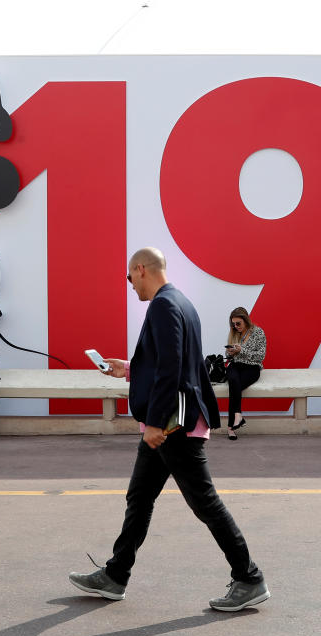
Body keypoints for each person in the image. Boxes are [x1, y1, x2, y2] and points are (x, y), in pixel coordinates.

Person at [69, 247, 269, 612]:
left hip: (173, 426)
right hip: (168, 423)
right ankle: (115, 575)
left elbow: (172, 368)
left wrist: (157, 424)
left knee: (205, 503)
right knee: (140, 497)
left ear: (141, 269)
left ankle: (249, 578)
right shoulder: (181, 302)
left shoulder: (163, 304)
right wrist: (127, 369)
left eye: (129, 278)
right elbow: (167, 361)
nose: (130, 286)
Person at [222, 306, 266, 440]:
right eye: (233, 324)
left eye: (238, 323)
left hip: (252, 368)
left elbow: (261, 356)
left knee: (235, 387)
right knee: (234, 382)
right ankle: (237, 417)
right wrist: (230, 351)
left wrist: (242, 350)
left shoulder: (258, 333)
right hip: (234, 365)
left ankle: (231, 427)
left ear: (246, 320)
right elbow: (228, 356)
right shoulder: (234, 333)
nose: (235, 326)